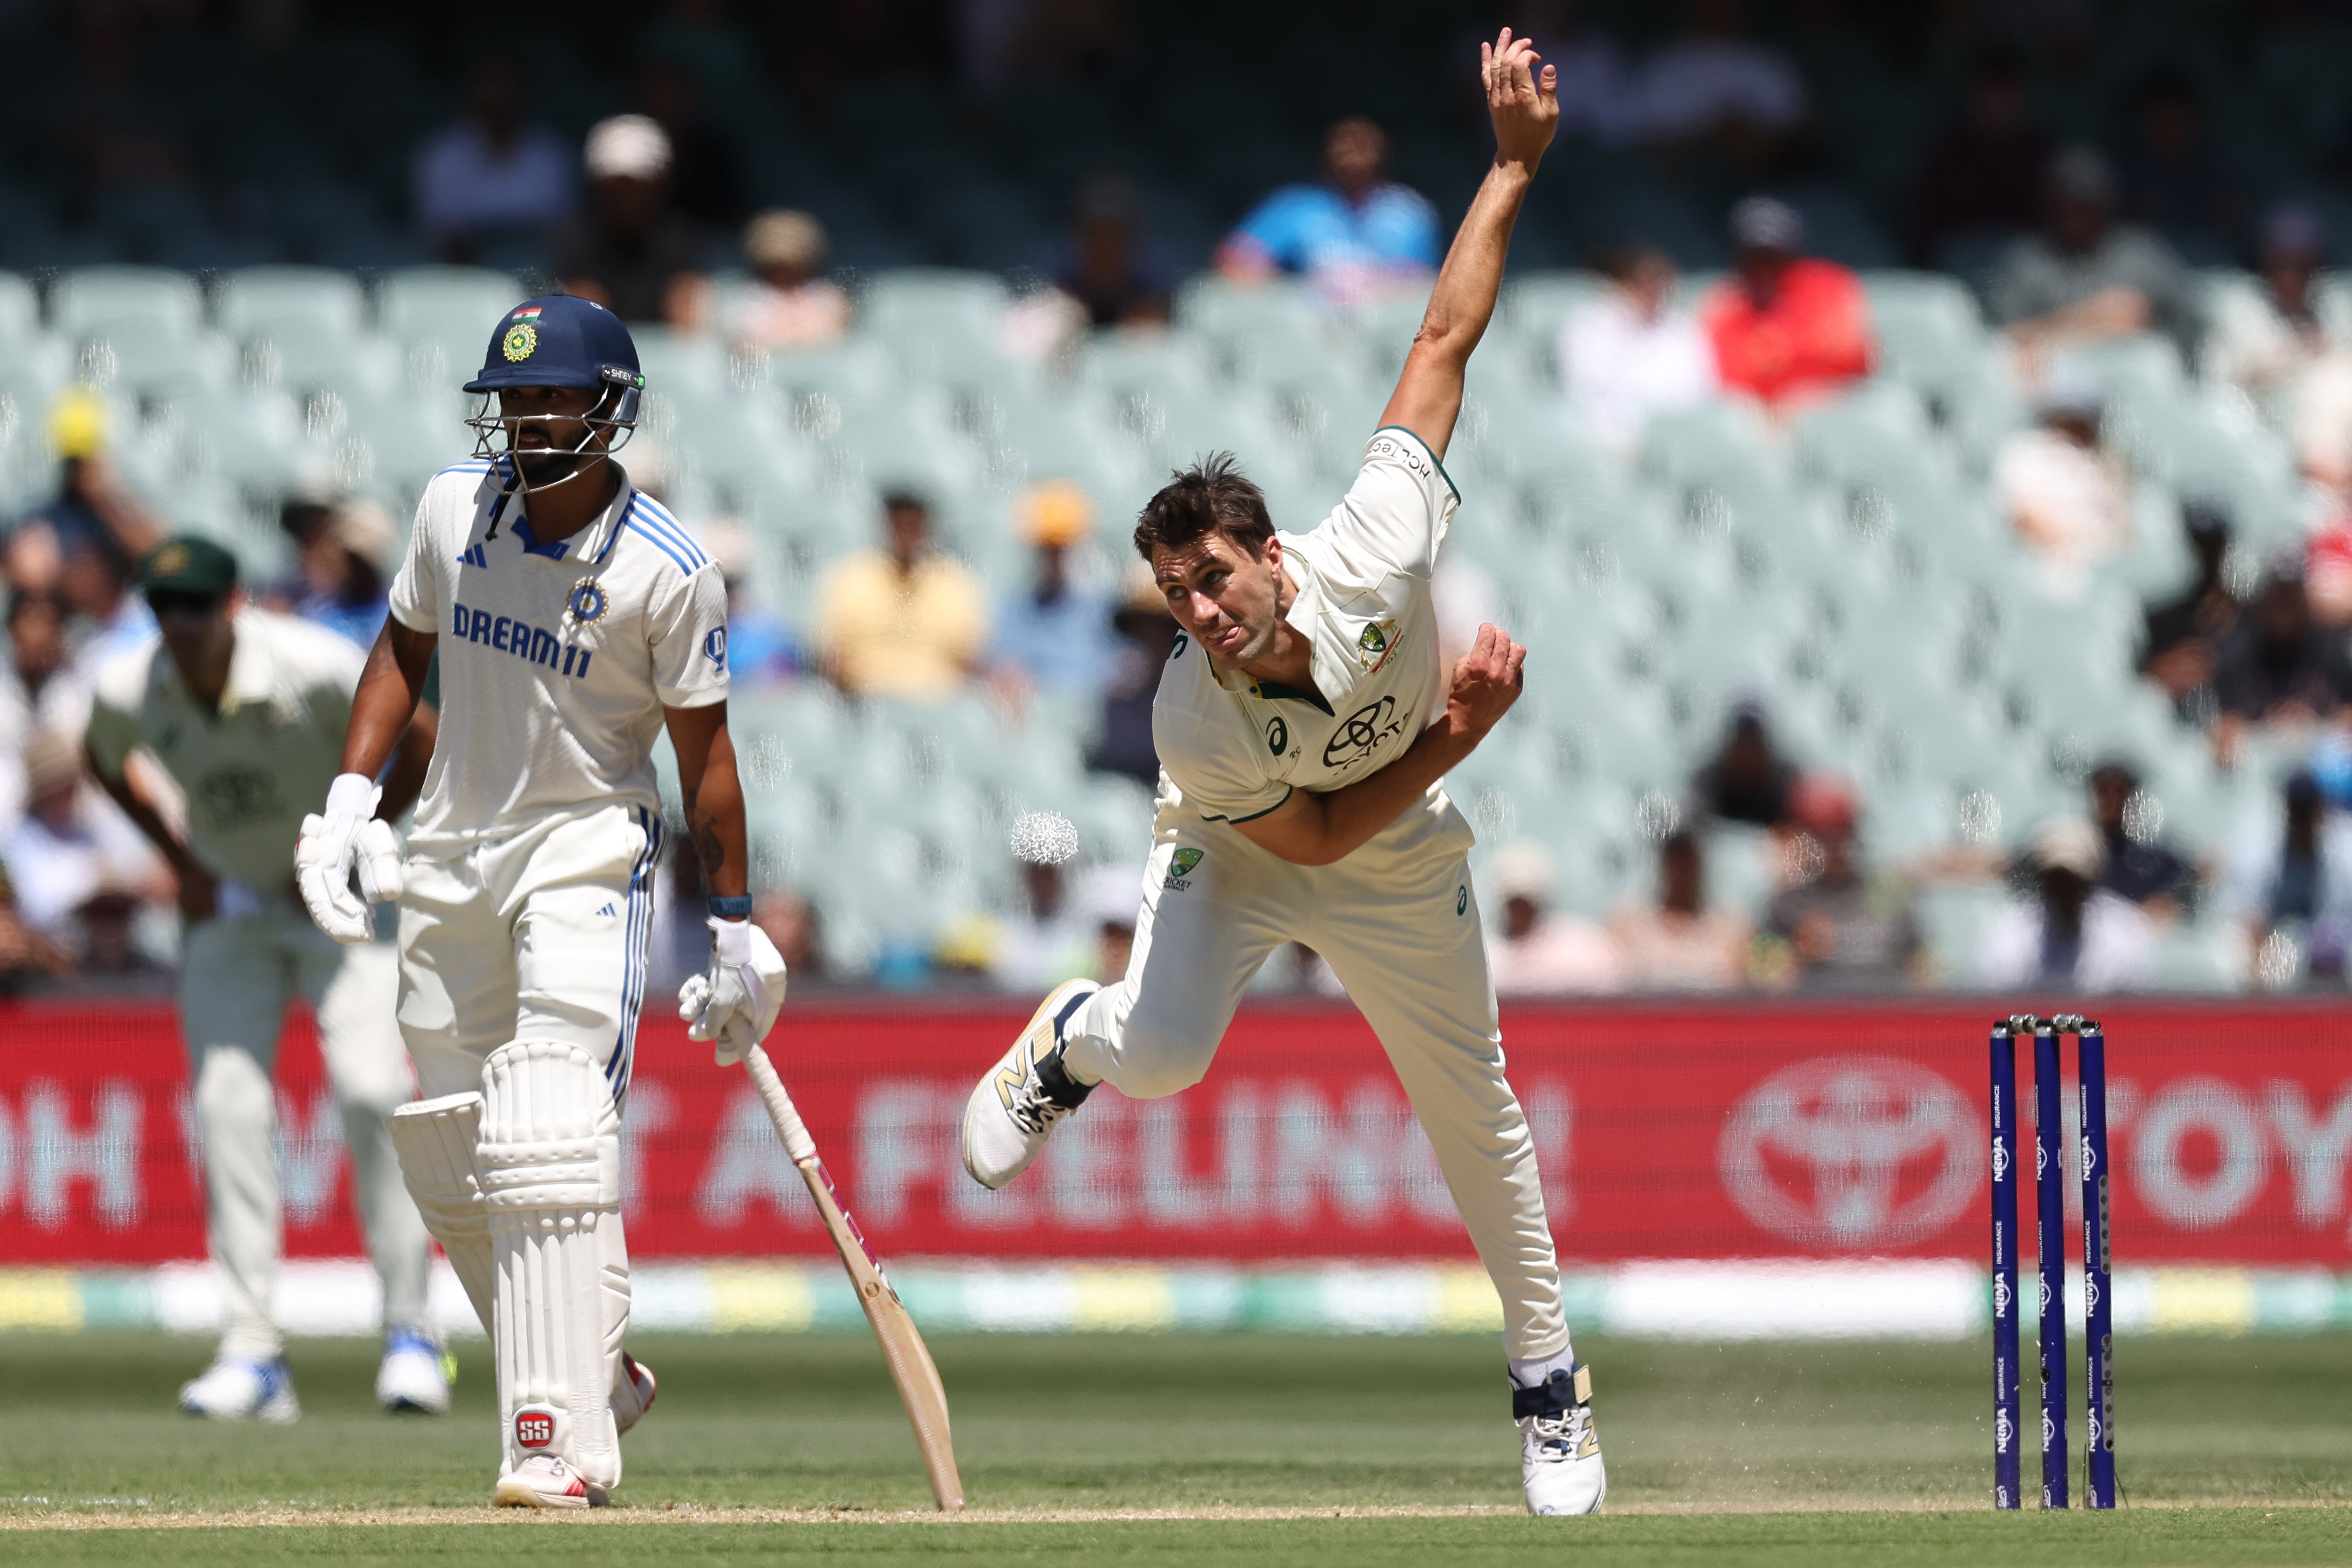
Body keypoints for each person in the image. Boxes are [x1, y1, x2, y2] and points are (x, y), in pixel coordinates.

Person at [960, 34, 1607, 1517]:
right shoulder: (1192, 715)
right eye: (1174, 592)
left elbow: (1441, 345)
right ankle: (1079, 1039)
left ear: (1268, 552)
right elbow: (1306, 841)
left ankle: (1550, 1384)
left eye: (1213, 576)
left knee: (1476, 1116)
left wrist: (1509, 168)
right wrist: (1455, 737)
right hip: (1254, 844)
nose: (1199, 609)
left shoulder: (1378, 540)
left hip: (1402, 858)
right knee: (1170, 1055)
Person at [295, 293, 780, 1507]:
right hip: (450, 848)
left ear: (610, 409)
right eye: (513, 397)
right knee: (457, 1146)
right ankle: (594, 1365)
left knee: (545, 1122)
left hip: (585, 847)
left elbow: (704, 756)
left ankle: (560, 1444)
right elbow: (403, 648)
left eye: (555, 396)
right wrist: (352, 800)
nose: (530, 416)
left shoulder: (670, 571)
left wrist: (731, 920)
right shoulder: (453, 507)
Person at [82, 536, 443, 1420]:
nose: (180, 626)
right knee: (227, 1106)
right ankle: (254, 1351)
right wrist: (180, 859)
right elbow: (102, 756)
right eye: (164, 610)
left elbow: (424, 738)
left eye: (196, 607)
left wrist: (346, 850)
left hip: (337, 910)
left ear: (233, 604)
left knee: (370, 1092)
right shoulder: (130, 688)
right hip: (233, 909)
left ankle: (412, 1335)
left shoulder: (311, 663)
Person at [1986, 147, 2201, 372]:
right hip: (2054, 381)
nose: (2077, 217)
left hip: (2131, 375)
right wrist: (2097, 318)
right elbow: (2005, 337)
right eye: (2067, 205)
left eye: (2087, 206)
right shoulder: (2027, 259)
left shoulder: (2140, 253)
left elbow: (2188, 320)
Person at [1214, 116, 1441, 310]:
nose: (1354, 156)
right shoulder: (1297, 206)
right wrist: (1291, 289)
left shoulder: (1408, 211)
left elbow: (1426, 283)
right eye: (1345, 147)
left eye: (1363, 147)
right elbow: (1234, 260)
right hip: (1312, 324)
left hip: (1385, 322)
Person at [2203, 208, 2352, 489]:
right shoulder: (2240, 308)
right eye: (2284, 263)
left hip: (2328, 414)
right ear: (2267, 263)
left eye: (2303, 266)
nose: (2293, 275)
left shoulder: (2330, 306)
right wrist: (2288, 358)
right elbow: (2218, 388)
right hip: (2266, 416)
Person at [1698, 197, 1873, 411]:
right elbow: (1733, 380)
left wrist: (1783, 369)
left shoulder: (1830, 285)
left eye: (1773, 257)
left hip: (1838, 407)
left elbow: (1853, 360)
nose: (1763, 268)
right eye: (1752, 257)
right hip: (1765, 418)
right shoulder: (1726, 304)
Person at [3, 726, 166, 954]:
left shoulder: (97, 824)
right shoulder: (17, 844)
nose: (65, 796)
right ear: (39, 791)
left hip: (115, 951)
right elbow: (32, 910)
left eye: (69, 785)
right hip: (48, 964)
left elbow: (144, 877)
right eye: (55, 788)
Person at [1754, 776, 1923, 991]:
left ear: (1853, 832)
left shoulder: (1888, 893)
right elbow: (1759, 984)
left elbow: (1921, 968)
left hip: (1883, 1012)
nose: (1830, 843)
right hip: (1814, 1016)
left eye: (1839, 831)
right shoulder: (1786, 905)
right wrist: (1799, 955)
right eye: (1820, 834)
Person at [815, 491, 989, 700]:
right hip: (864, 701)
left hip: (936, 705)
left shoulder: (953, 581)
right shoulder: (853, 577)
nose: (906, 534)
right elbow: (833, 655)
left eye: (913, 526)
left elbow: (968, 659)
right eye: (899, 525)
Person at [411, 60, 576, 262]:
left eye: (507, 89)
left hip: (539, 267)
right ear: (472, 94)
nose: (498, 99)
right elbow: (438, 229)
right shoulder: (442, 153)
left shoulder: (551, 153)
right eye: (490, 89)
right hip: (461, 271)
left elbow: (563, 228)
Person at [552, 115, 707, 328]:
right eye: (616, 187)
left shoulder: (680, 239)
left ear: (661, 186)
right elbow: (584, 329)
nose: (628, 199)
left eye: (638, 187)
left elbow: (688, 325)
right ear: (597, 187)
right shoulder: (575, 240)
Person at [1559, 244, 1716, 451]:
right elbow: (1590, 394)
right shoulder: (1589, 329)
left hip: (1677, 438)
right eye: (1645, 282)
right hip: (1610, 440)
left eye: (1661, 283)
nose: (1654, 292)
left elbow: (1698, 390)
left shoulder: (1681, 328)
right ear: (1622, 284)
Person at [1908, 48, 2052, 268]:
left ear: (2020, 97)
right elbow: (1929, 233)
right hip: (1962, 267)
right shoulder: (1948, 156)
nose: (1997, 106)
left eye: (2005, 95)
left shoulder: (2040, 154)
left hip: (2030, 269)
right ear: (1973, 98)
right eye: (1989, 95)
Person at [1977, 818, 2154, 992]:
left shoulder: (2122, 929)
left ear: (2091, 882)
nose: (2063, 889)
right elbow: (1999, 1000)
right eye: (2055, 880)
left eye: (2073, 881)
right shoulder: (2013, 931)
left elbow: (2132, 1006)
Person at [1995, 362, 2131, 583]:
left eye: (2077, 417)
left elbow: (2121, 533)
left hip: (2093, 567)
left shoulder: (2107, 463)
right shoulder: (2025, 452)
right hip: (2050, 563)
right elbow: (2021, 520)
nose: (2068, 423)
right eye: (2063, 414)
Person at [2221, 769, 2352, 987]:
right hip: (2276, 938)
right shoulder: (2259, 842)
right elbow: (2244, 913)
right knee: (2245, 964)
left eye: (2308, 810)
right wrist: (2256, 947)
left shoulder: (2343, 843)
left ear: (2320, 809)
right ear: (2288, 809)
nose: (2304, 818)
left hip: (2333, 937)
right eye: (2298, 810)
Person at [2213, 553, 2352, 757]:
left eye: (2292, 594)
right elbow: (2223, 722)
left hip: (2318, 758)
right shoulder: (2237, 647)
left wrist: (2316, 726)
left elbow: (2347, 711)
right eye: (2279, 594)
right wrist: (2267, 727)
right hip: (2256, 760)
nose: (2286, 605)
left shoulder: (2329, 646)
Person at [990, 481, 1116, 699]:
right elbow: (1002, 665)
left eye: (1061, 548)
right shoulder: (1014, 609)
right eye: (1046, 548)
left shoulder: (1108, 609)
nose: (1054, 558)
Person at [1635, 0, 1808, 149]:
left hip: (1768, 172)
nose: (1719, 14)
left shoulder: (1769, 62)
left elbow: (1802, 128)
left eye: (1727, 6)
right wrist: (1714, 132)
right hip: (1689, 171)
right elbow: (1645, 133)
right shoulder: (1664, 64)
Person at [1608, 829, 1749, 990]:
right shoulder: (1629, 925)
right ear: (1665, 865)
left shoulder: (1729, 930)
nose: (1681, 872)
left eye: (1688, 863)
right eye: (1676, 862)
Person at [2139, 500, 2241, 722]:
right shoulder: (2158, 620)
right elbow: (2129, 686)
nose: (2205, 553)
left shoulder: (2250, 618)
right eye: (2198, 543)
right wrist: (2158, 672)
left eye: (2212, 544)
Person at [1484, 840, 1624, 995]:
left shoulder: (1581, 948)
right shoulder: (1491, 957)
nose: (1519, 912)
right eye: (1514, 904)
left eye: (1526, 904)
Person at [1086, 575, 1180, 789]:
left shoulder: (1208, 694)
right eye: (1144, 625)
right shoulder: (1122, 702)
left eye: (1165, 626)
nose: (1154, 636)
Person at [728, 210, 851, 352]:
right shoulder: (742, 300)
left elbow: (835, 340)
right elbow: (747, 342)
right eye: (775, 269)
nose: (785, 275)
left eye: (795, 267)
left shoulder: (828, 298)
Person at [2088, 760, 2192, 916]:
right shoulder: (2075, 856)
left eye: (2119, 792)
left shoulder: (2154, 862)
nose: (2112, 801)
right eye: (2104, 792)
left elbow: (2186, 887)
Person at [290, 500, 396, 651]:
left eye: (364, 560)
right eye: (352, 558)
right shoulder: (319, 612)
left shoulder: (399, 610)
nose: (358, 568)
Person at [1691, 701, 1796, 828]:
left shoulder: (1785, 784)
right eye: (1742, 745)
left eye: (1754, 745)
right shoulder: (1709, 783)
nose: (1747, 756)